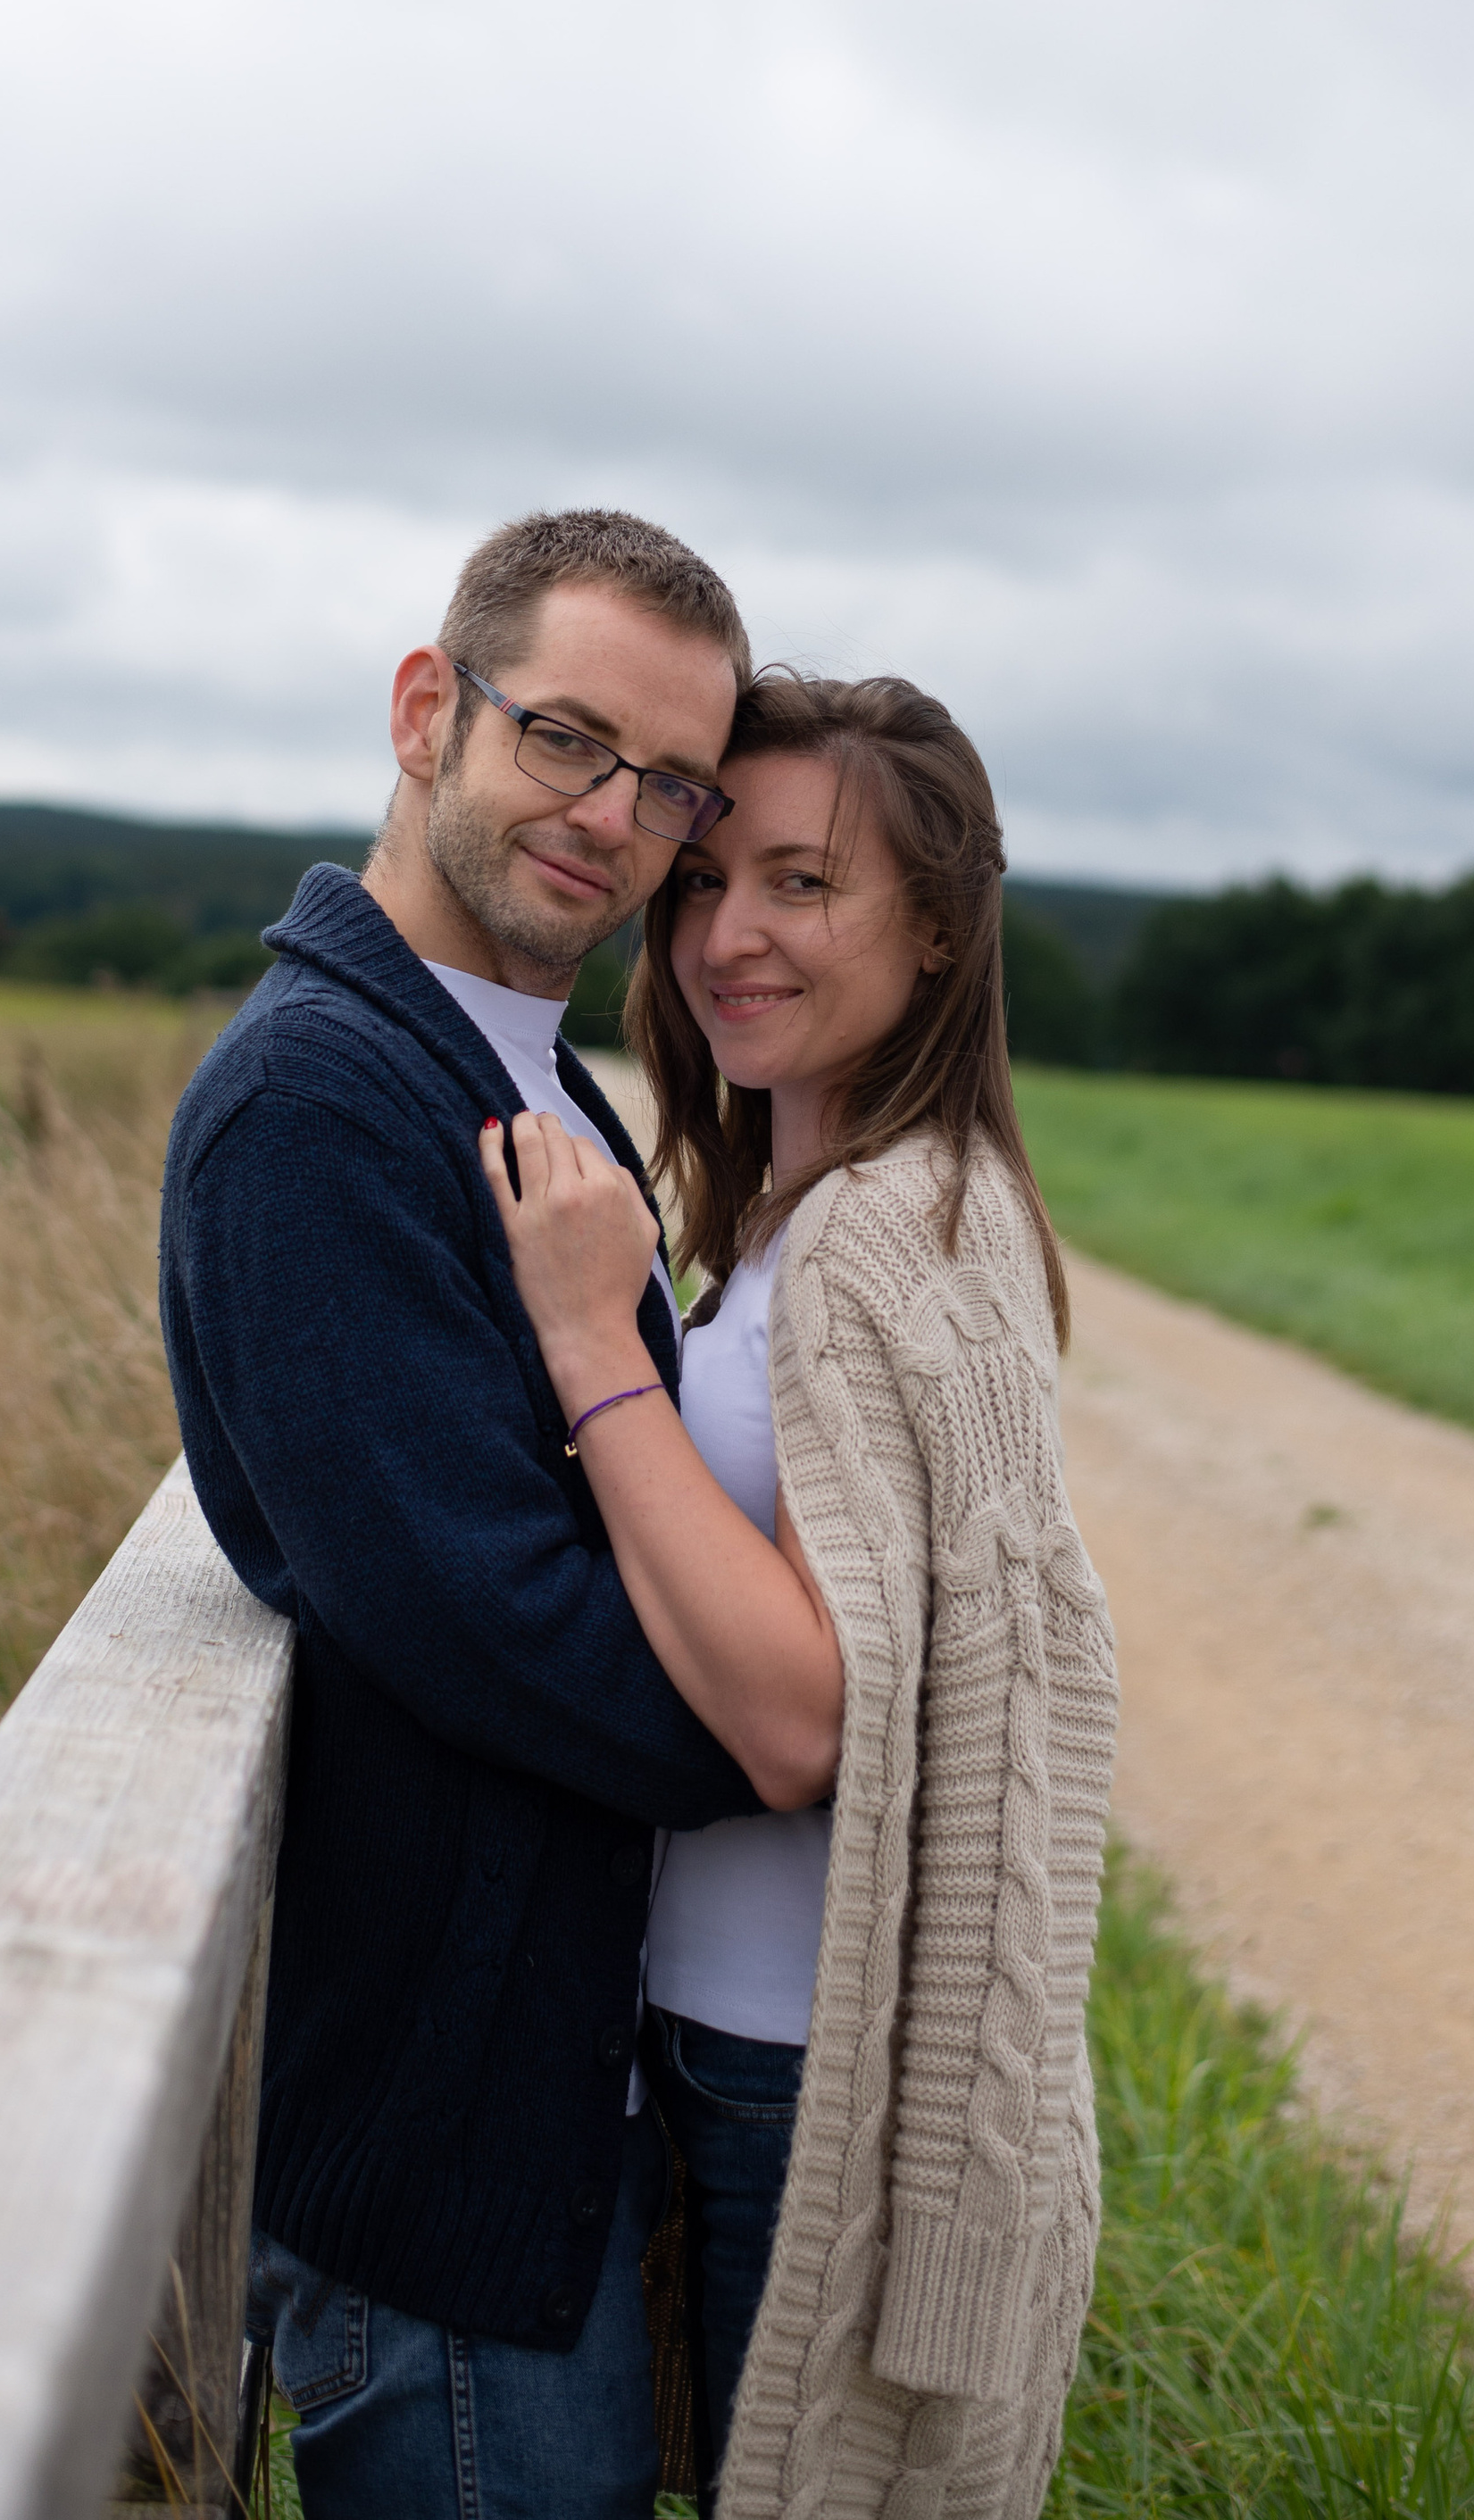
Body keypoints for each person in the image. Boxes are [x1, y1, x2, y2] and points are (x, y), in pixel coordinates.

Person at [159, 508, 775, 2520]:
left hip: (545, 2084)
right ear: (431, 709)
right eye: (566, 740)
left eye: (671, 782)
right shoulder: (320, 1105)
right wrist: (798, 1736)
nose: (616, 818)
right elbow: (478, 1609)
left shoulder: (518, 1073)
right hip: (438, 2146)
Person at [482, 670, 1120, 2520]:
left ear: (933, 933)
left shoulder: (863, 1248)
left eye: (799, 885)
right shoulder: (858, 1205)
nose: (725, 937)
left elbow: (791, 1719)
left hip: (792, 2076)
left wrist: (588, 1339)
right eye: (699, 883)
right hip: (734, 2050)